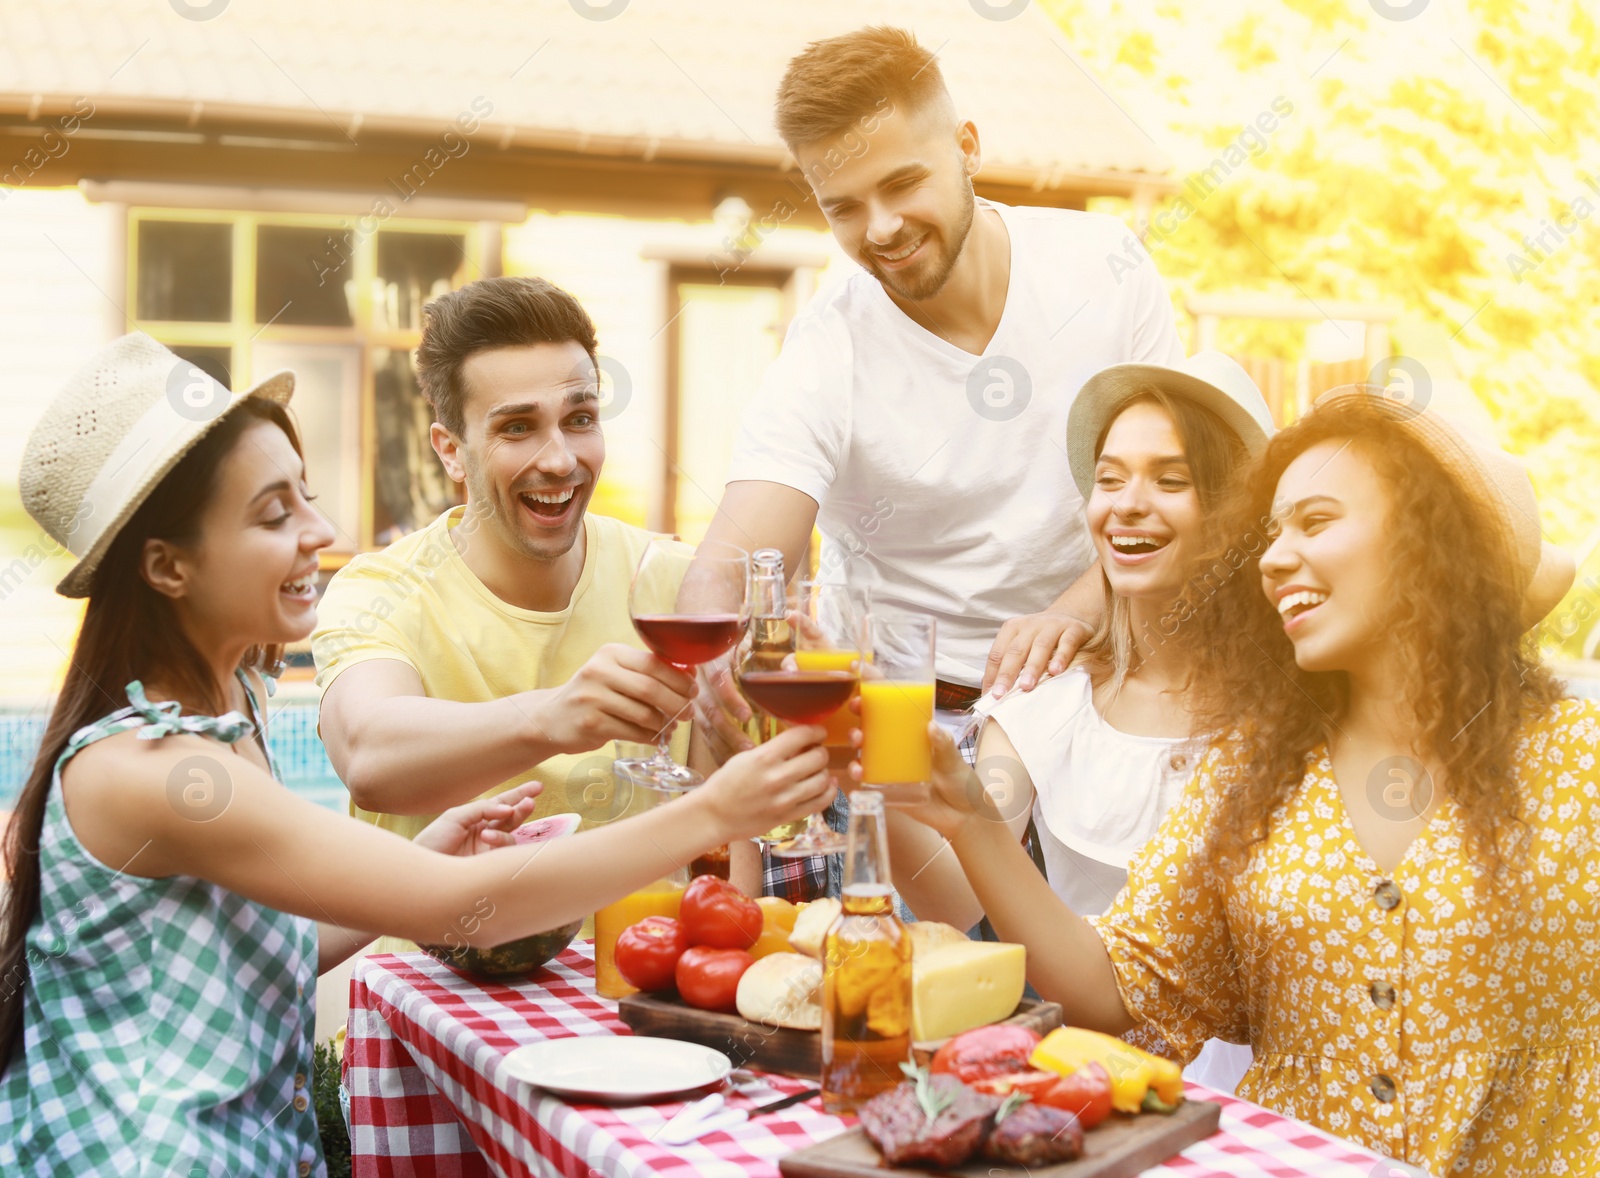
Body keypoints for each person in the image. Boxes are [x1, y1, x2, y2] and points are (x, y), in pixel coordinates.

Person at [0, 334, 832, 1175]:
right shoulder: (157, 773)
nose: (319, 531)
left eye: (306, 497)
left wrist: (418, 853)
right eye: (273, 514)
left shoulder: (224, 714)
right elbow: (461, 904)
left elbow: (264, 947)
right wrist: (719, 809)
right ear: (167, 566)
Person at [899, 385, 1591, 1174]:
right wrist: (970, 818)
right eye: (1270, 532)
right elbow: (1116, 992)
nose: (1273, 556)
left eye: (1317, 521)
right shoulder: (1251, 771)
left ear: (1425, 538)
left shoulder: (1579, 760)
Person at [694, 25, 1186, 768]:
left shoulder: (1105, 270)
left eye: (902, 184)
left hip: (1095, 685)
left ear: (967, 147)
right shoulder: (829, 347)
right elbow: (738, 551)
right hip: (901, 715)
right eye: (843, 208)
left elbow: (1191, 491)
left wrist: (1072, 613)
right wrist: (706, 644)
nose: (882, 229)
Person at [886, 352, 1270, 1092]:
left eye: (1171, 478)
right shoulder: (1047, 698)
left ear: (1236, 517)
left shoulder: (1299, 712)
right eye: (1111, 477)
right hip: (1095, 1080)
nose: (1125, 503)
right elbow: (964, 893)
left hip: (1264, 1094)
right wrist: (860, 781)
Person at [312, 276, 764, 901]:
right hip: (435, 989)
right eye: (518, 428)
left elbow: (733, 840)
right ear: (450, 450)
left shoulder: (679, 584)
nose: (558, 460)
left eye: (579, 419)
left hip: (633, 982)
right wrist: (554, 717)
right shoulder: (379, 589)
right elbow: (369, 760)